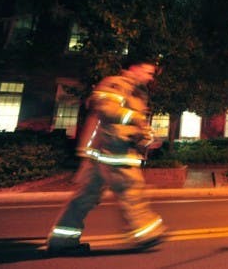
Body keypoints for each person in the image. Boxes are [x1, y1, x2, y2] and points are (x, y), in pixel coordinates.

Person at [46, 60, 166, 255]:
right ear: (134, 68)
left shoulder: (136, 92)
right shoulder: (116, 84)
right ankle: (147, 234)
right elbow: (107, 110)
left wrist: (144, 137)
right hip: (113, 152)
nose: (150, 77)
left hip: (102, 153)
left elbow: (126, 124)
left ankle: (62, 240)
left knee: (85, 197)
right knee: (132, 190)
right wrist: (137, 120)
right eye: (148, 72)